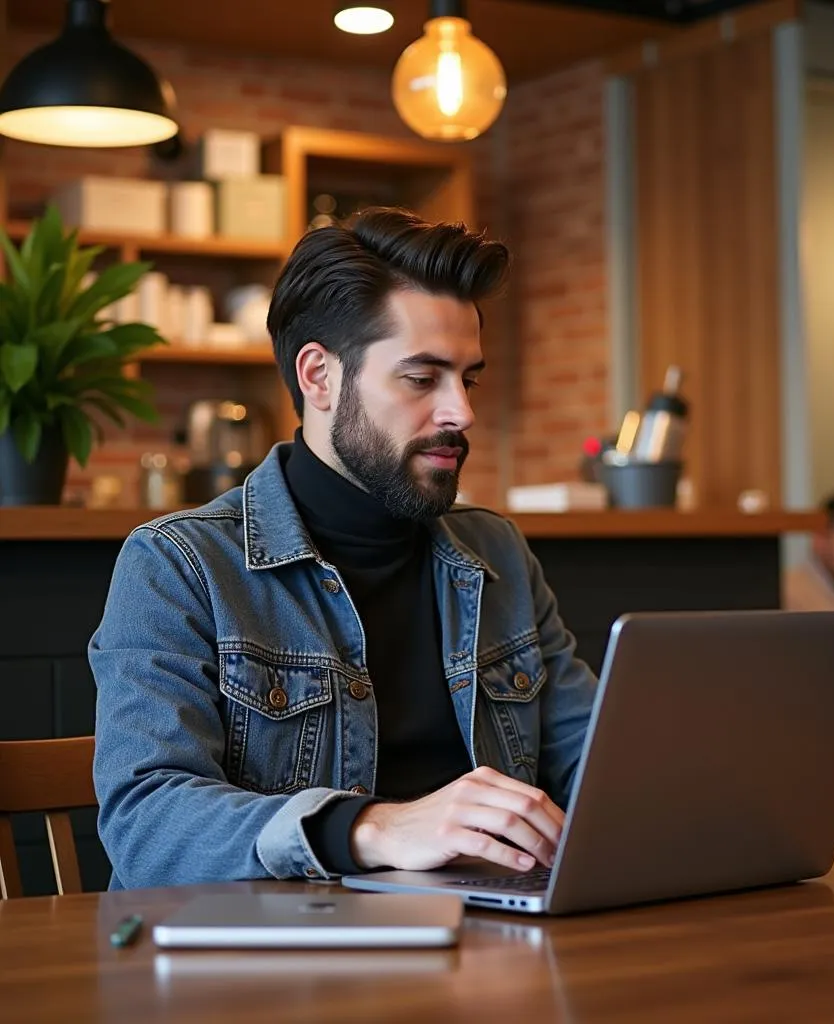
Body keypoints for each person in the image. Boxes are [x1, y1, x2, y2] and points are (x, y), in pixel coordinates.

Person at [89, 208, 598, 889]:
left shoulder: (496, 551)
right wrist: (374, 828)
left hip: (493, 952)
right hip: (272, 969)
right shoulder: (179, 565)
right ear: (319, 376)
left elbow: (597, 763)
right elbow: (145, 824)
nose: (461, 413)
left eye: (467, 379)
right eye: (422, 379)